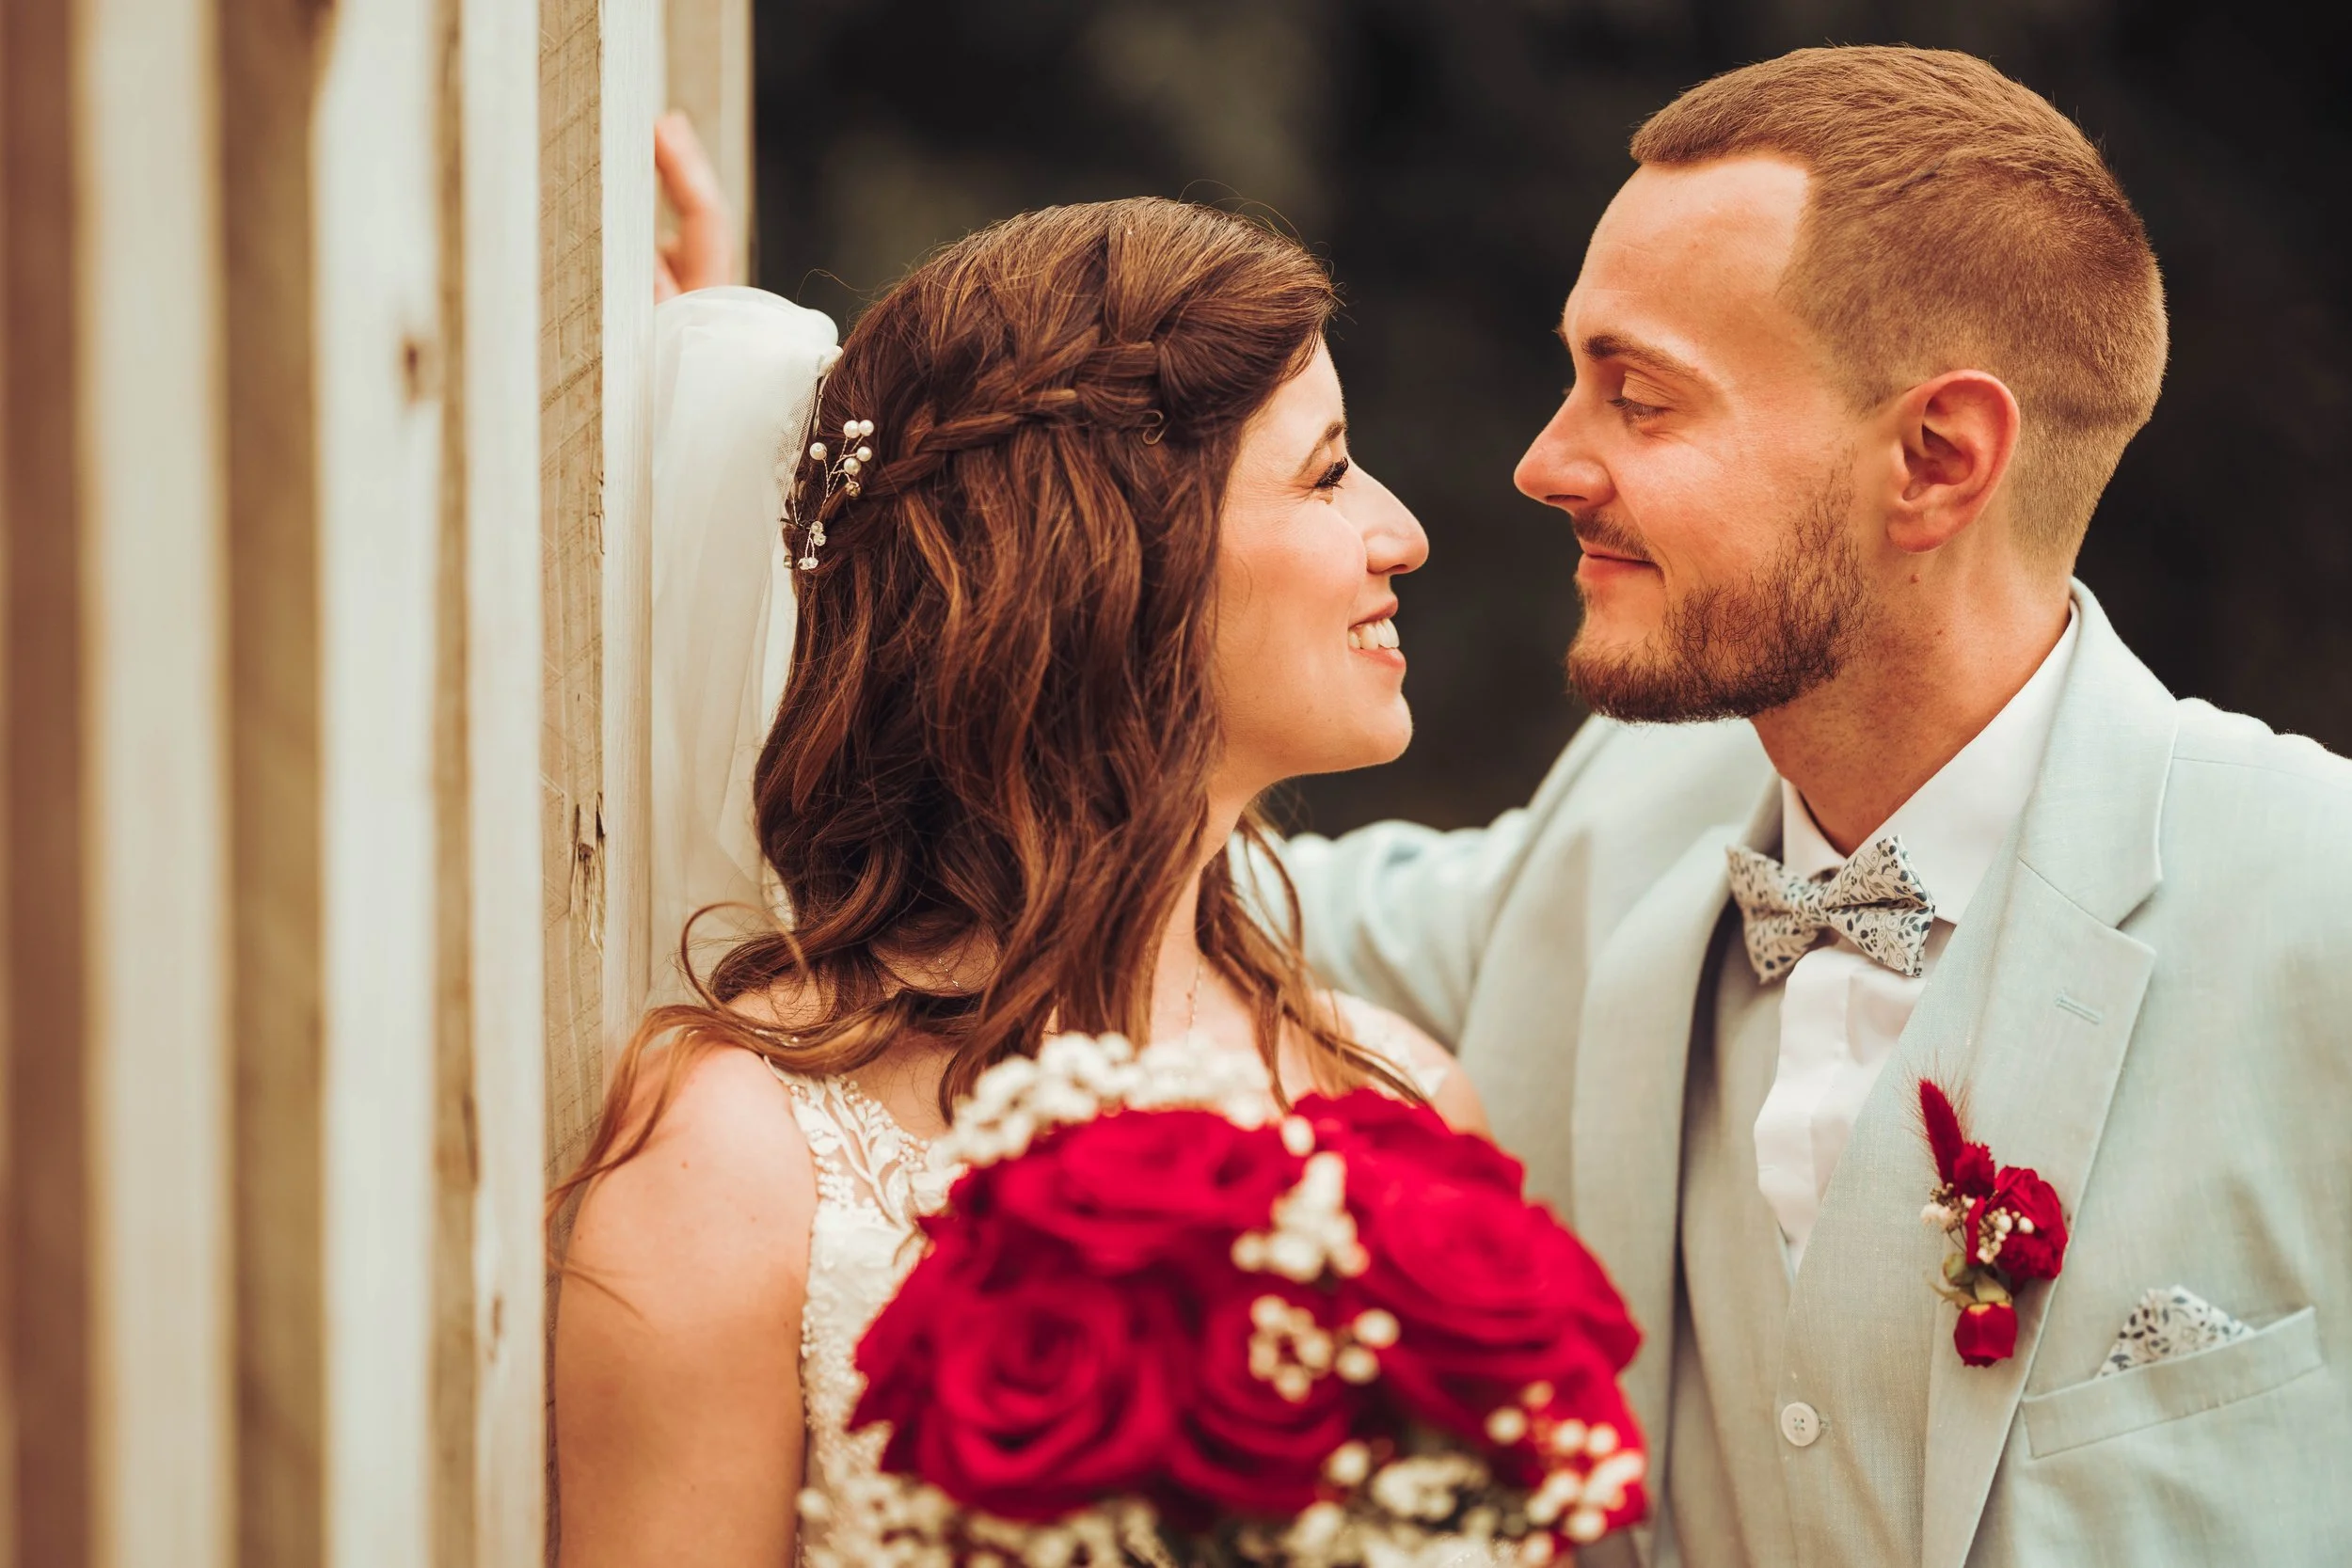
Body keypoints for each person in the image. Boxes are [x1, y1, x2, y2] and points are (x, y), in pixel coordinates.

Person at [1277, 46, 2352, 1567]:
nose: (1545, 460)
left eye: (1638, 398)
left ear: (1935, 460)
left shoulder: (2326, 903)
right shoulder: (1617, 822)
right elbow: (1205, 913)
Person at [549, 192, 1483, 1567]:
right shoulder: (738, 1165)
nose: (1397, 532)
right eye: (1330, 472)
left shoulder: (1401, 1104)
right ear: (1117, 557)